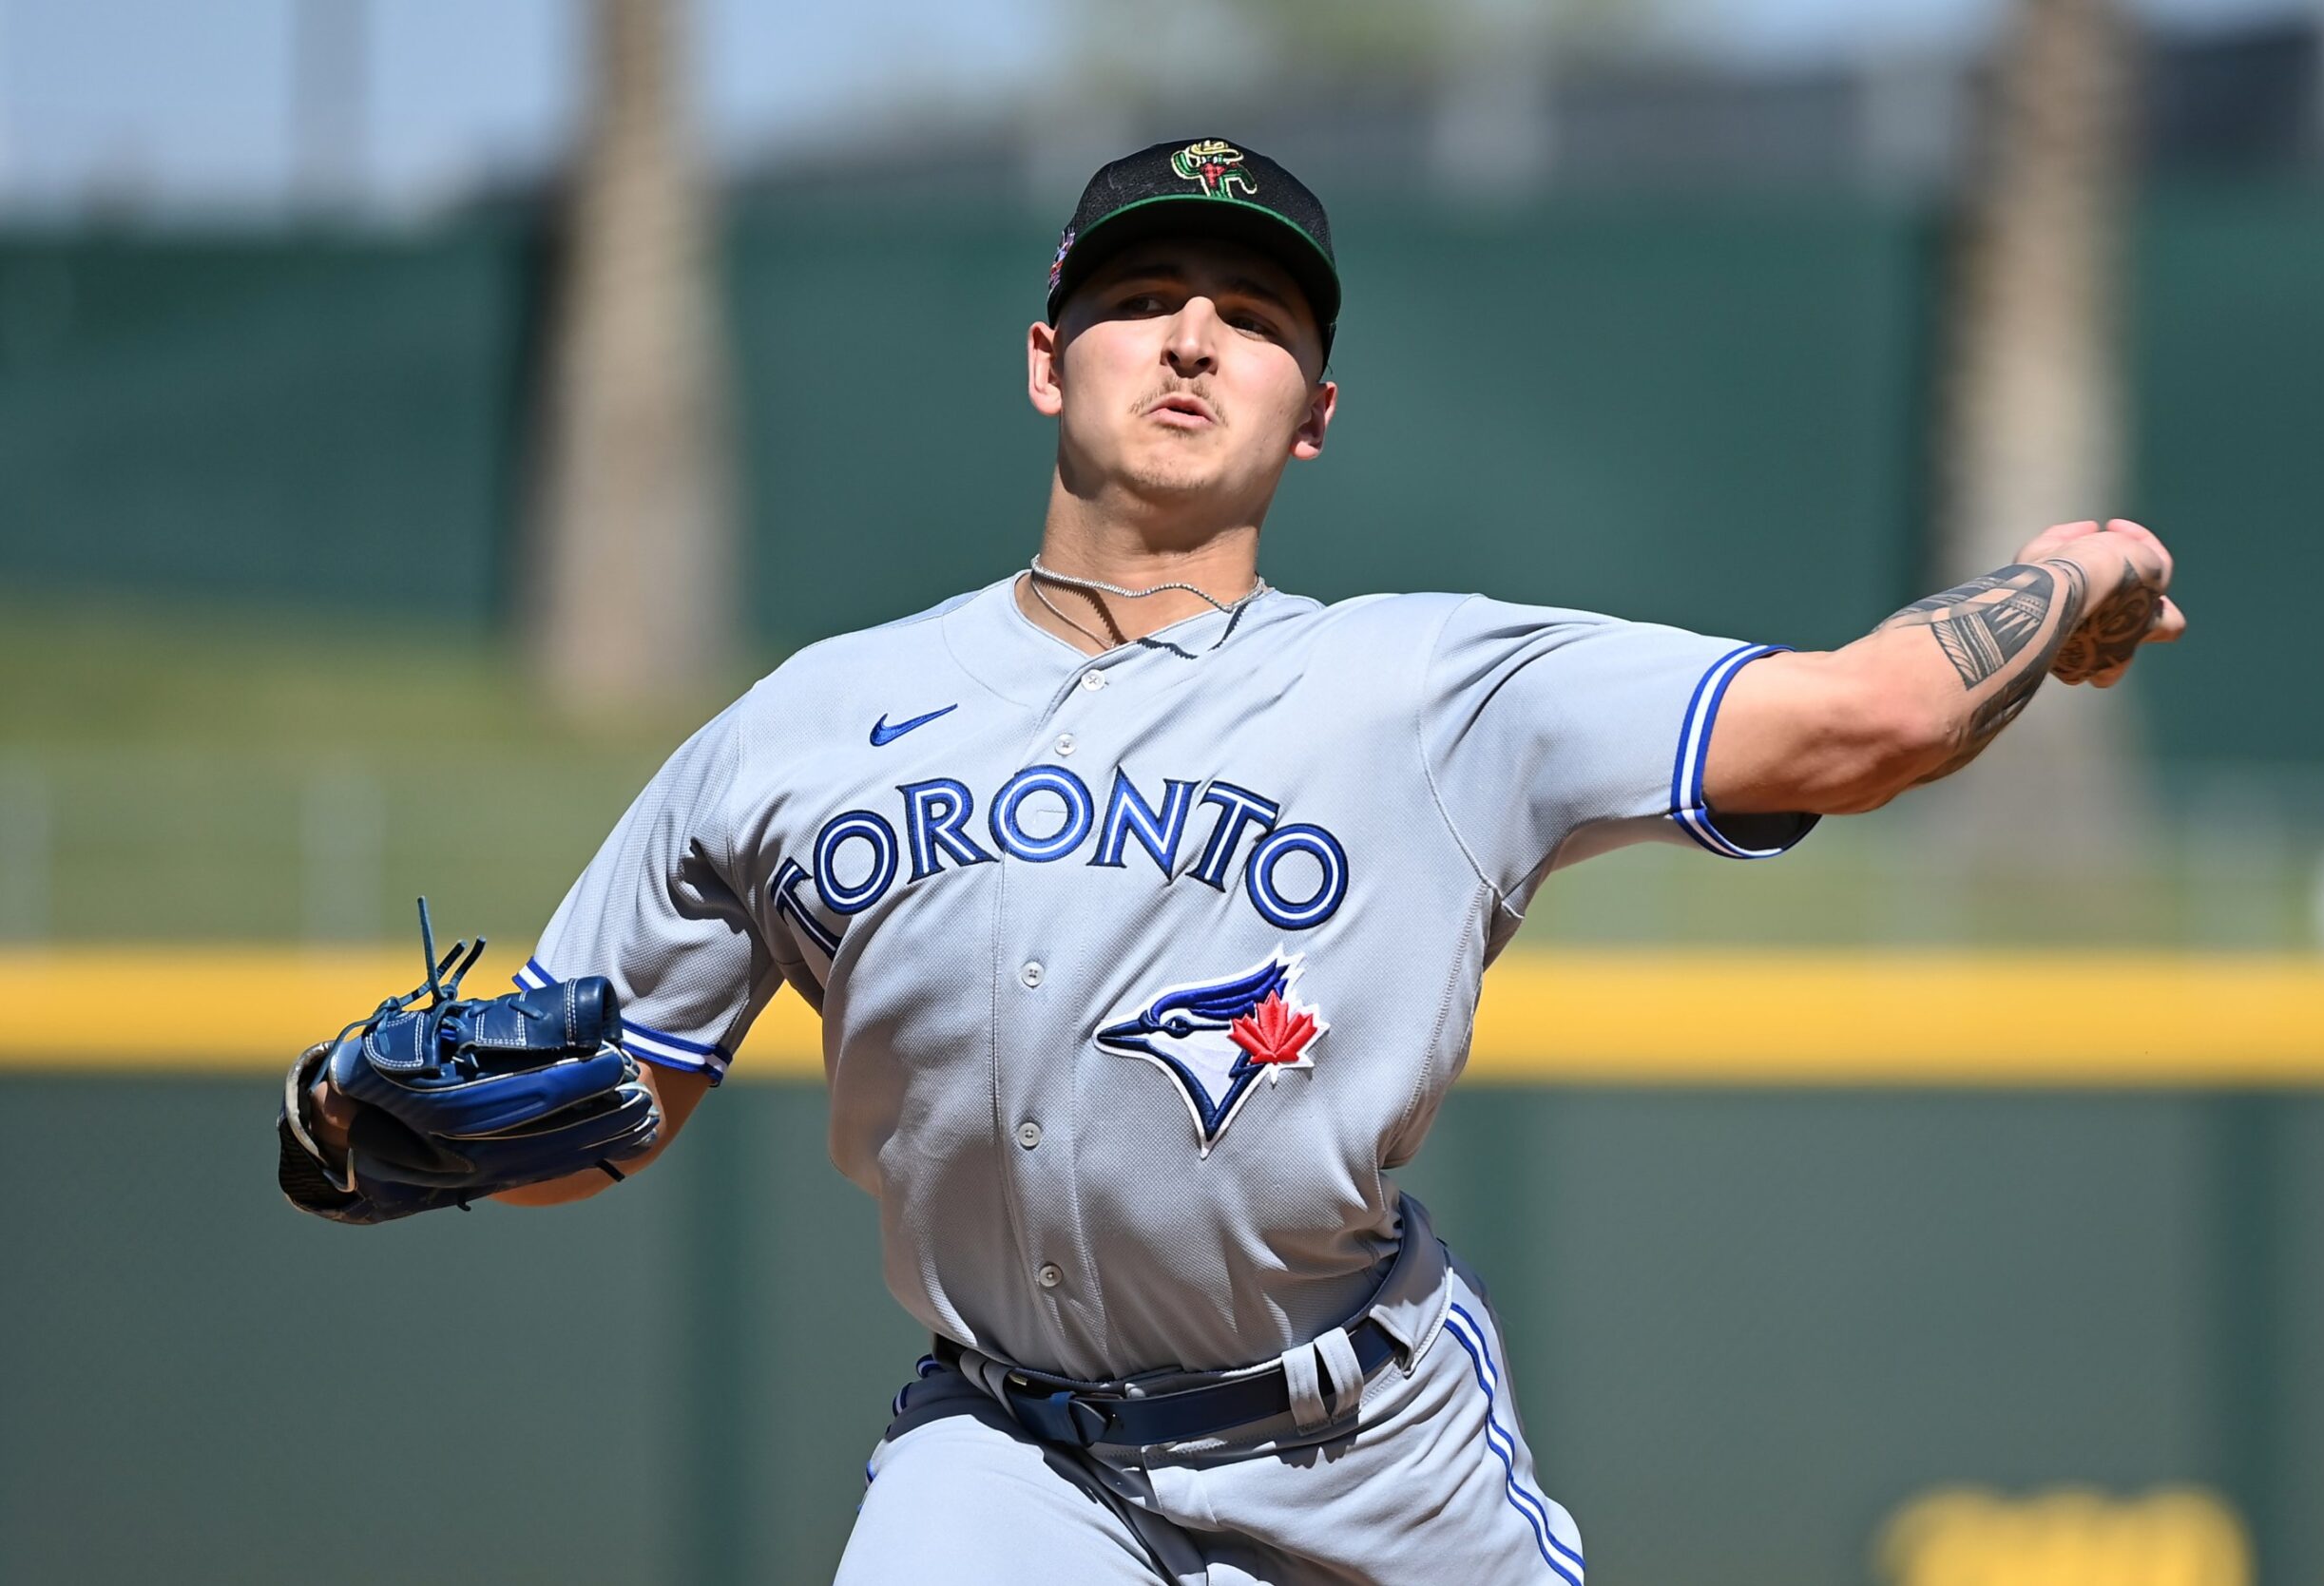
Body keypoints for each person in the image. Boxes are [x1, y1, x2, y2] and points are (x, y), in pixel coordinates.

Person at [285, 139, 2181, 1584]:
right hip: (1008, 1457)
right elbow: (596, 1104)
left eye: (1255, 313)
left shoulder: (1429, 688)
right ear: (1046, 362)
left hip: (1364, 1446)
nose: (1193, 333)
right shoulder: (798, 725)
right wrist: (350, 1125)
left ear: (1314, 412)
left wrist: (2072, 575)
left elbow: (1860, 721)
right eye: (1141, 296)